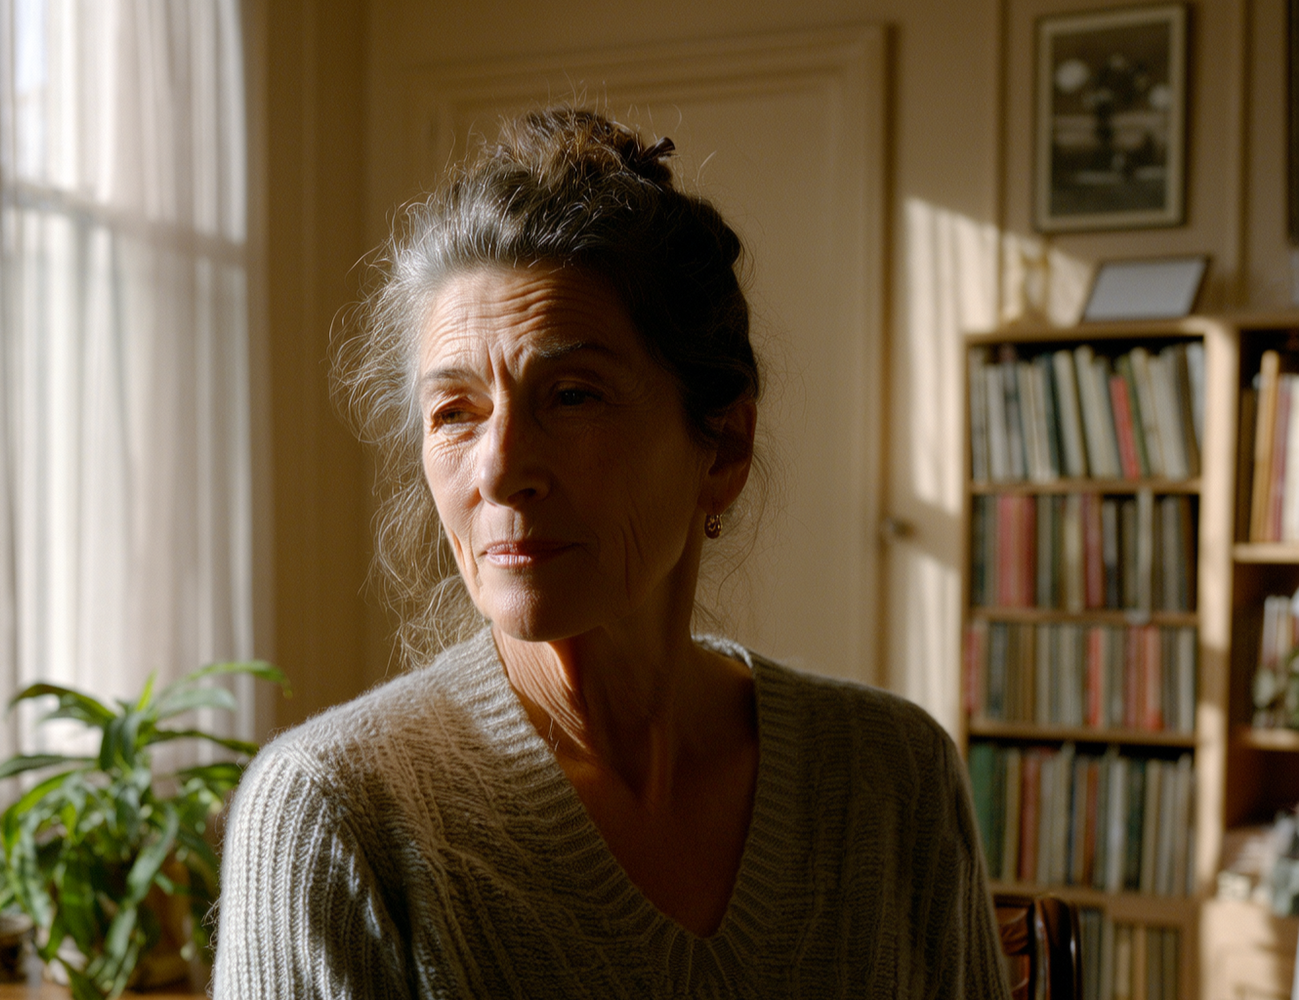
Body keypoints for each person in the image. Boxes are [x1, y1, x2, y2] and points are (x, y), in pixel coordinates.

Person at [212, 108, 1010, 999]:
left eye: (573, 395)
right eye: (454, 412)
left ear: (724, 447)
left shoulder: (893, 778)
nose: (500, 470)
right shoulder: (334, 814)